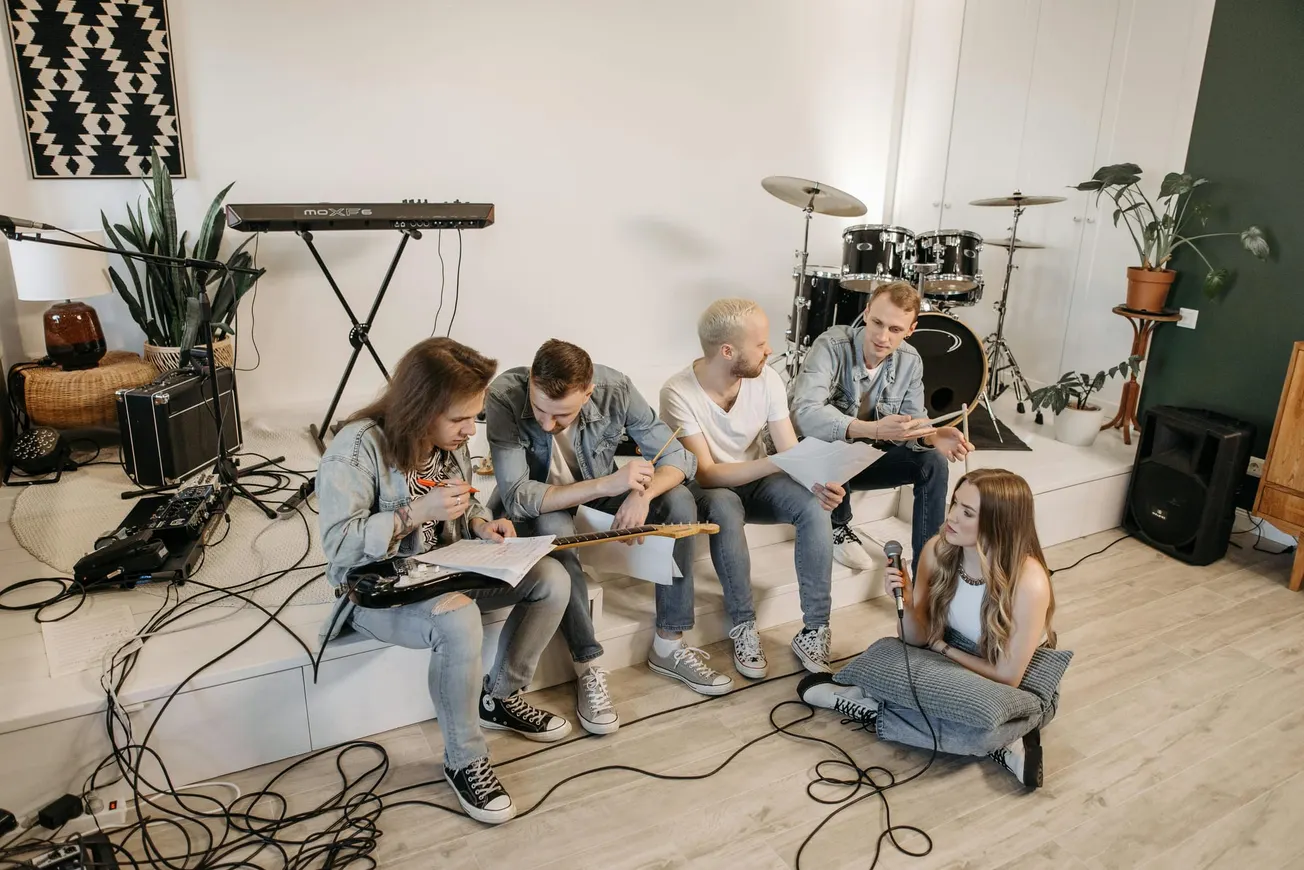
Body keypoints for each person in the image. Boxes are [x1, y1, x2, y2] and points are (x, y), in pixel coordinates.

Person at [317, 337, 572, 826]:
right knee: (459, 619)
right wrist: (413, 514)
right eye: (460, 419)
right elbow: (339, 548)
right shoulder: (355, 450)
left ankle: (500, 697)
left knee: (551, 579)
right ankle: (464, 758)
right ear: (421, 408)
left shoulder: (447, 442)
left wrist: (480, 522)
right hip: (385, 595)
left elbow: (465, 500)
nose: (469, 430)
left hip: (450, 565)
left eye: (475, 417)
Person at [487, 338, 731, 735]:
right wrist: (606, 486)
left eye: (562, 416)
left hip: (596, 491)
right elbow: (517, 495)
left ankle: (669, 643)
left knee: (681, 502)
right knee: (556, 527)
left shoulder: (616, 388)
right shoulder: (503, 395)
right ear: (531, 382)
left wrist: (642, 493)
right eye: (540, 411)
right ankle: (587, 666)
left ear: (588, 393)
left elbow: (678, 458)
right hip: (540, 510)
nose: (548, 425)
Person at [798, 468, 1058, 788]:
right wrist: (906, 602)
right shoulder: (938, 550)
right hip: (949, 657)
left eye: (967, 513)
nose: (951, 517)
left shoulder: (1029, 582)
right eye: (954, 504)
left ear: (998, 523)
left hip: (1008, 680)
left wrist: (942, 648)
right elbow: (914, 640)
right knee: (887, 654)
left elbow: (1007, 675)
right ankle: (996, 741)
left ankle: (878, 705)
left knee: (980, 706)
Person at [659, 298, 844, 679]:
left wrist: (819, 483)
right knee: (725, 507)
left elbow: (790, 450)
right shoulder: (678, 392)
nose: (770, 350)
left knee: (813, 506)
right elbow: (706, 474)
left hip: (758, 482)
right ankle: (743, 624)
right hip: (708, 490)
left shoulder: (768, 380)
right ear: (728, 351)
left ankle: (815, 629)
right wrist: (778, 462)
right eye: (761, 343)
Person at [789, 280, 973, 575]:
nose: (882, 336)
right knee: (837, 439)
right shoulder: (831, 344)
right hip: (819, 462)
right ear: (866, 312)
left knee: (933, 462)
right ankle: (838, 526)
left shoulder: (910, 361)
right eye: (877, 322)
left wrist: (933, 437)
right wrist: (872, 430)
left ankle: (928, 561)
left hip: (863, 461)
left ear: (911, 330)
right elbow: (804, 415)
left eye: (895, 329)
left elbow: (916, 422)